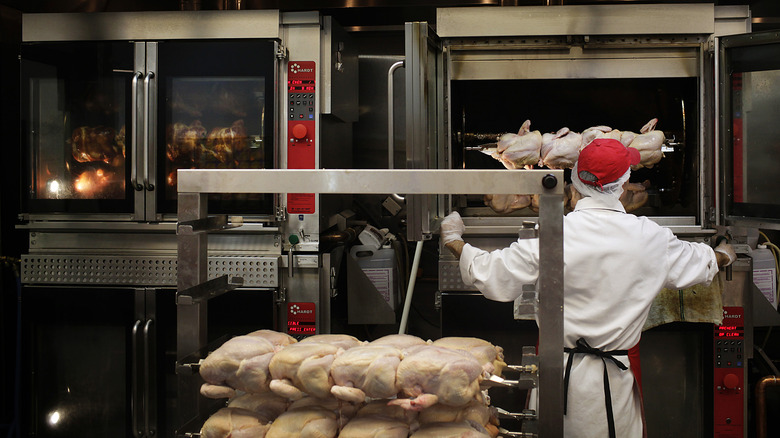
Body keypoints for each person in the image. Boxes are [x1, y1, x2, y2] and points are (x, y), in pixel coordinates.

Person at [440, 138, 736, 438]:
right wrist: (727, 251)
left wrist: (453, 238)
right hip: (614, 381)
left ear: (576, 182)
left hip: (558, 376)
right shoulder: (651, 237)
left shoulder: (554, 233)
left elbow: (491, 274)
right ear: (624, 184)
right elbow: (707, 263)